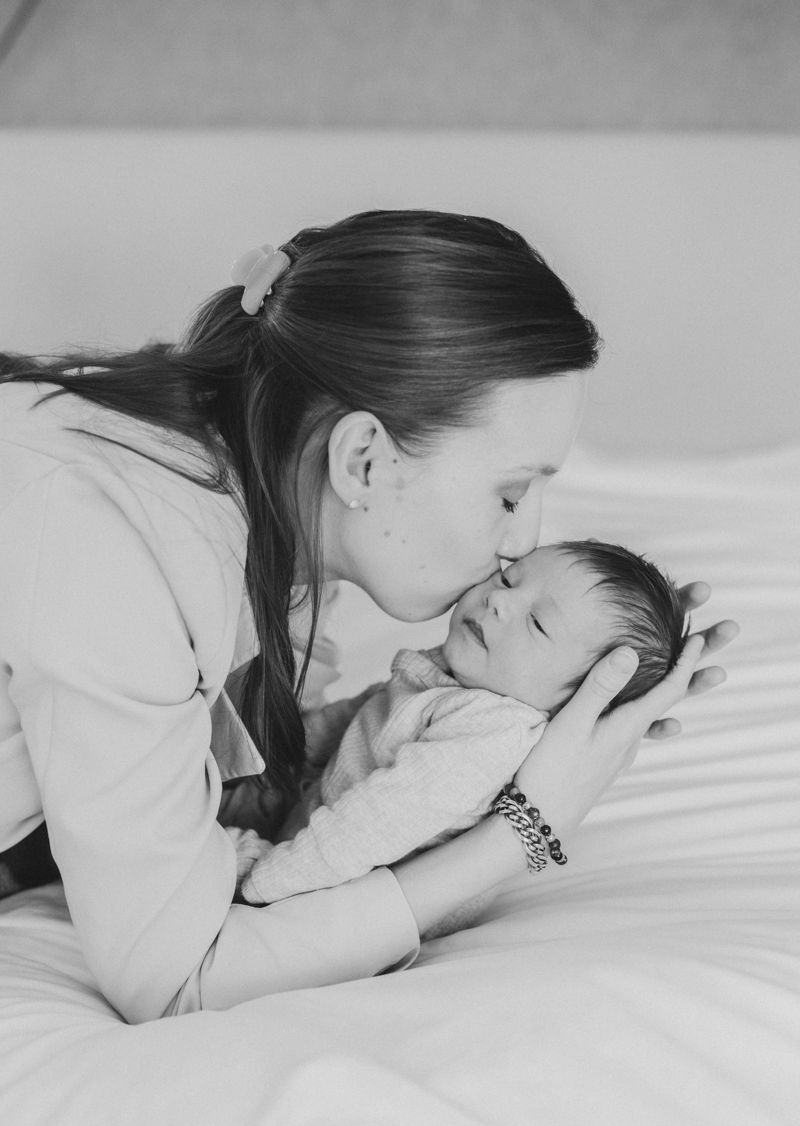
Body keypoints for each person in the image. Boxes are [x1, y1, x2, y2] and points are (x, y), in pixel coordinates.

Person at [0, 209, 736, 1024]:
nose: (520, 543)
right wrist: (525, 829)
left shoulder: (272, 513)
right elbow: (178, 979)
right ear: (363, 460)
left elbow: (234, 779)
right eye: (511, 492)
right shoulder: (120, 550)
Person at [235, 539, 688, 906]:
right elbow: (355, 721)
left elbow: (376, 822)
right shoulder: (464, 678)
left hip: (331, 890)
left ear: (582, 700)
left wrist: (265, 881)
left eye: (537, 624)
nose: (499, 601)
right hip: (309, 828)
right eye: (509, 577)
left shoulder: (492, 734)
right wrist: (280, 758)